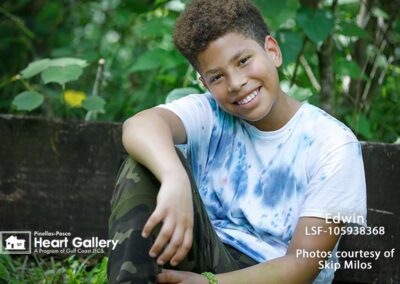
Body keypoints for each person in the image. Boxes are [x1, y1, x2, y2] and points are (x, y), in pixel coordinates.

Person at [107, 0, 367, 283]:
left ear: (272, 51)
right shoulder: (211, 114)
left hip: (269, 275)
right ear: (205, 84)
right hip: (207, 254)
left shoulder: (332, 144)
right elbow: (139, 125)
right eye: (217, 77)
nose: (235, 83)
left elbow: (301, 267)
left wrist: (211, 283)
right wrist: (174, 178)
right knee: (143, 162)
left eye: (243, 61)